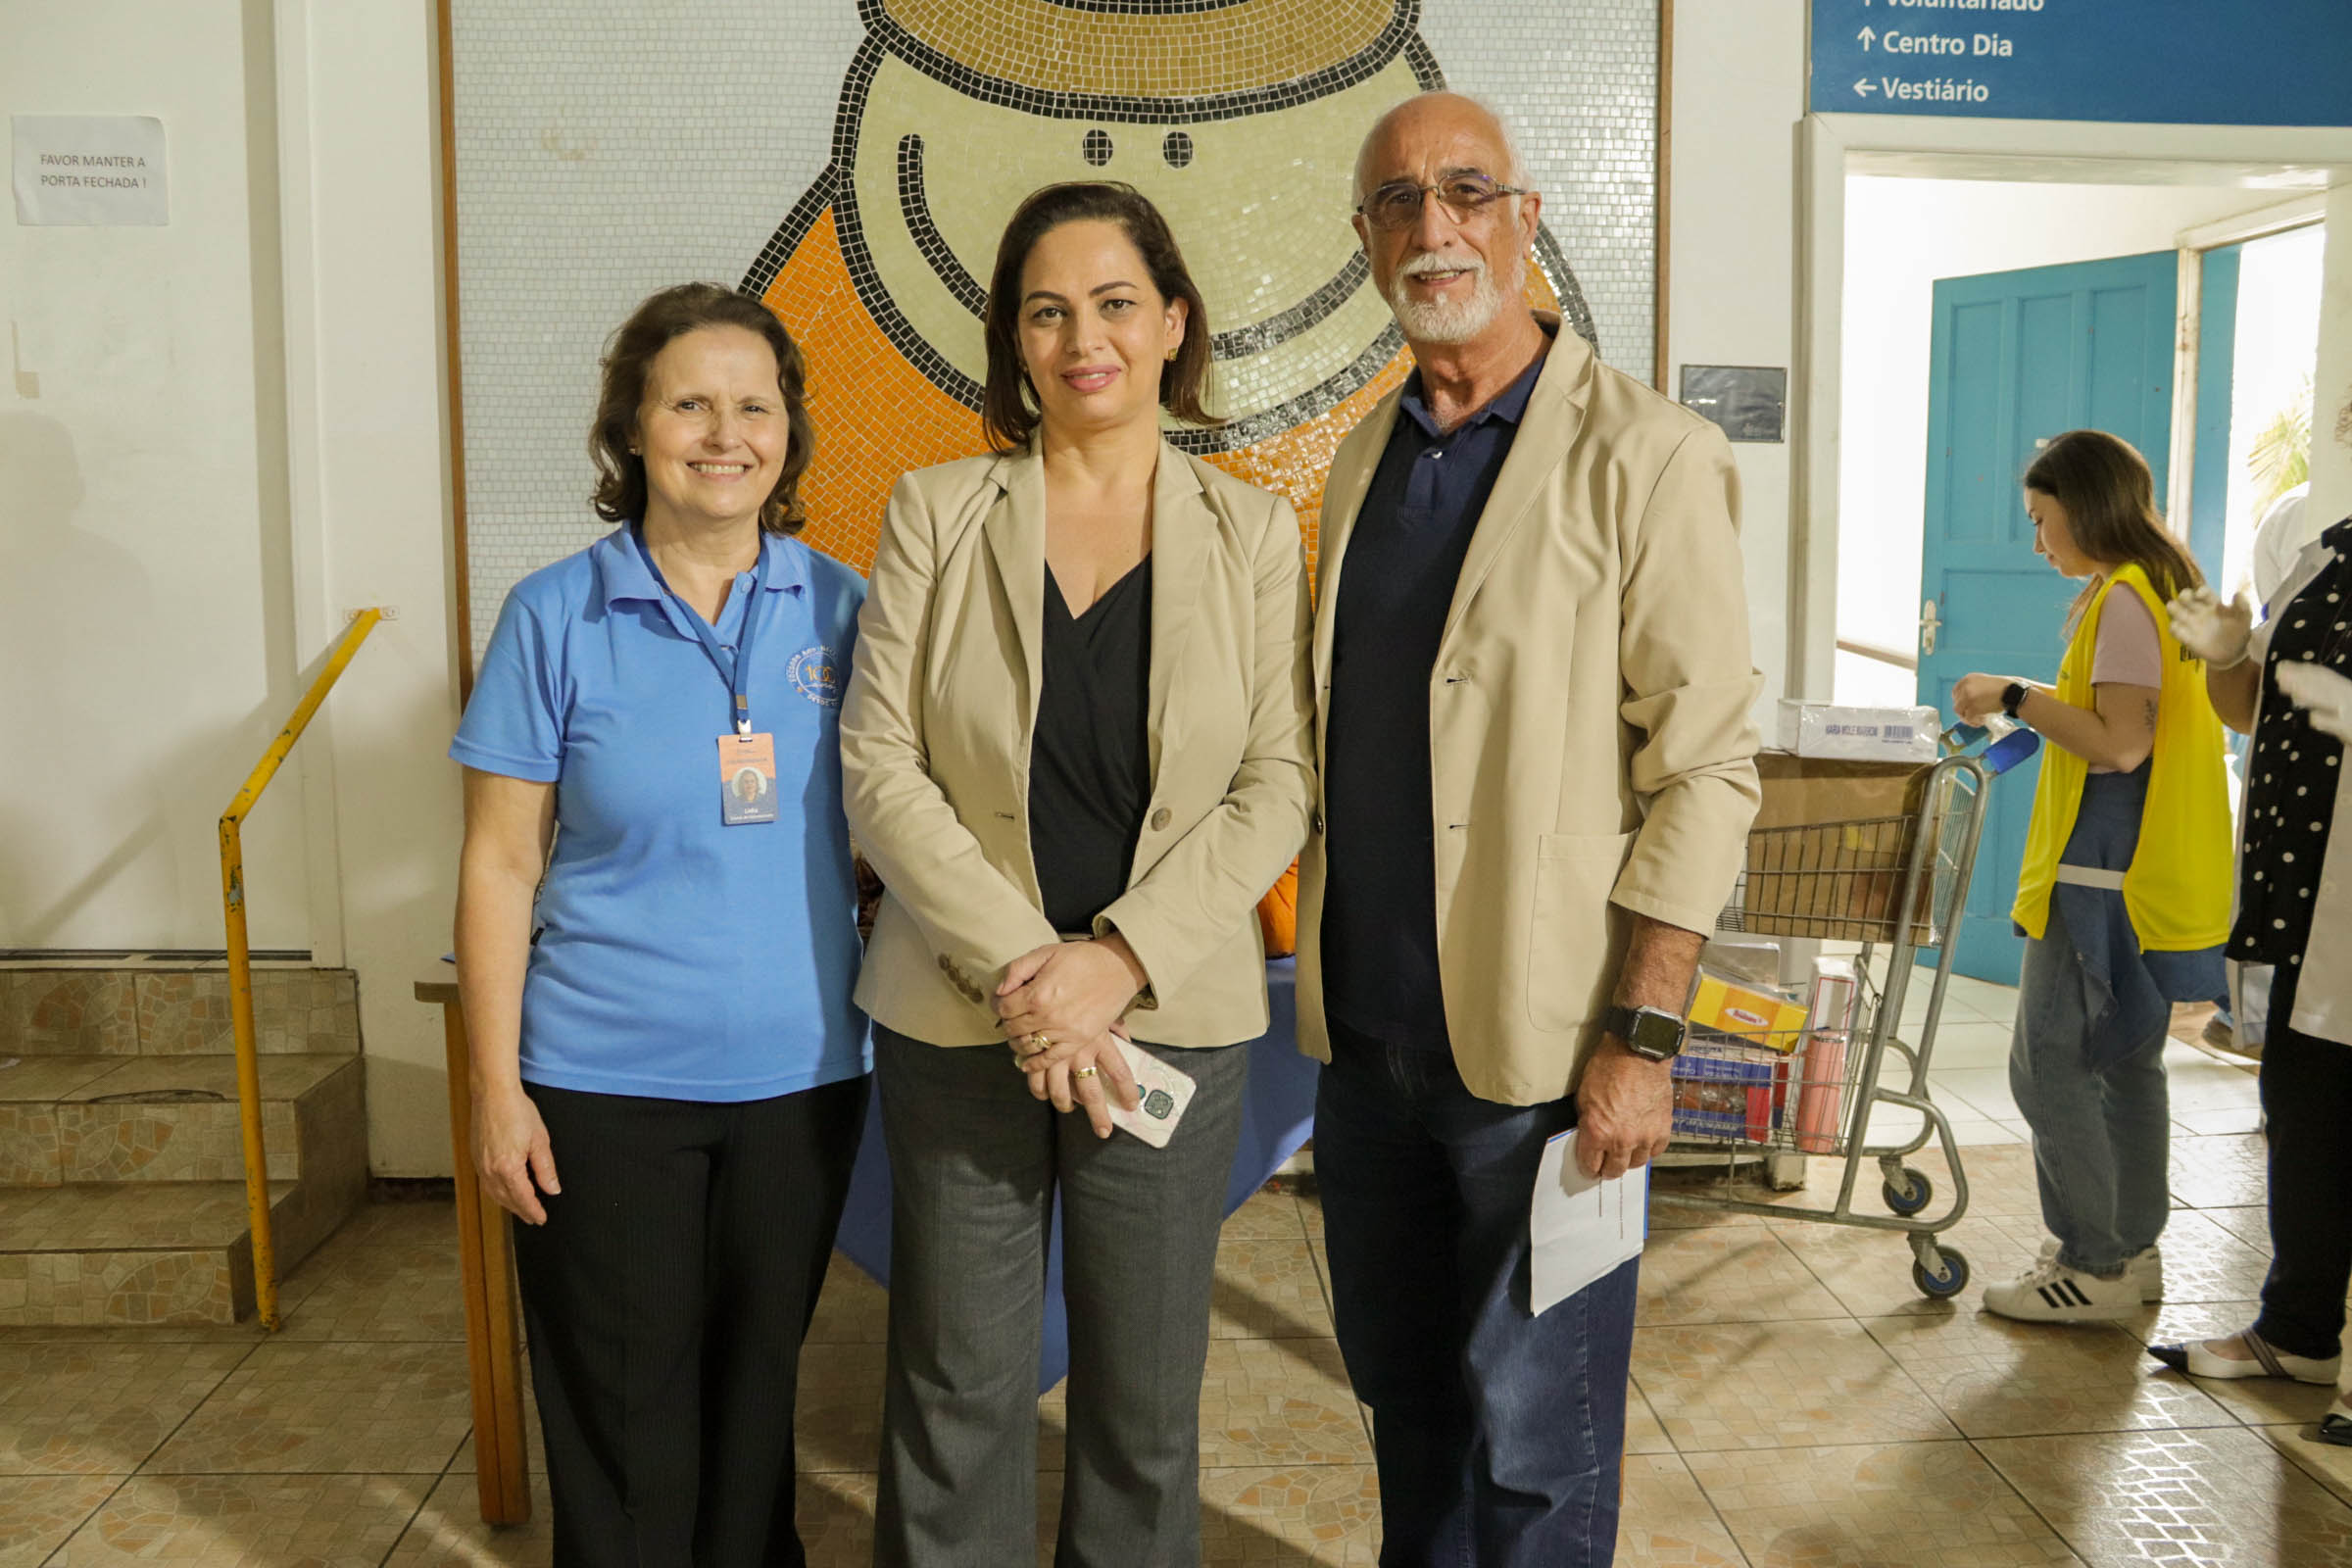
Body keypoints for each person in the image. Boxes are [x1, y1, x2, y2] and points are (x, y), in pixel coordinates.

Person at [1297, 93, 1761, 1566]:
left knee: (1541, 1451)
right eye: (1398, 202)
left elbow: (1706, 771)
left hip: (1548, 1061)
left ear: (1525, 218)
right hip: (1366, 1056)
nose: (1434, 227)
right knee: (1409, 1414)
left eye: (1466, 191)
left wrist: (1644, 1036)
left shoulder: (1650, 455)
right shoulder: (1362, 463)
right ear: (1366, 239)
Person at [839, 181, 1314, 1566]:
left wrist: (1114, 963)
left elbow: (1279, 782)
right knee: (955, 1388)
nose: (1082, 339)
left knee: (1143, 1404)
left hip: (1168, 1015)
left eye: (1115, 304)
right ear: (1012, 339)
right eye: (1045, 312)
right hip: (958, 1012)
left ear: (1174, 323)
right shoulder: (935, 511)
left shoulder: (1252, 532)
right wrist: (1029, 975)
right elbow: (878, 762)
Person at [451, 282, 870, 1565]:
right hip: (601, 1086)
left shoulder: (848, 607)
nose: (726, 434)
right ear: (632, 428)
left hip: (803, 1080)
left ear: (789, 432)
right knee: (629, 1425)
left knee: (756, 1404)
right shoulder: (553, 616)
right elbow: (499, 866)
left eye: (756, 406)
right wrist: (495, 1092)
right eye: (690, 403)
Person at [1949, 429, 2232, 1324]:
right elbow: (2128, 719)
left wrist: (2014, 696)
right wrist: (2029, 692)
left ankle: (2093, 1264)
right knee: (2125, 1065)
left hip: (2103, 870)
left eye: (2043, 519)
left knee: (2049, 1067)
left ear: (2085, 505)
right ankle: (2131, 1252)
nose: (2038, 542)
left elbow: (2118, 745)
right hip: (2143, 870)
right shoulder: (2166, 583)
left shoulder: (2124, 599)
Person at [2152, 513, 2352, 1423]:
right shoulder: (2328, 557)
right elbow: (2248, 710)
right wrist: (2230, 655)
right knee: (2304, 1116)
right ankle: (2297, 1332)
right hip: (2298, 891)